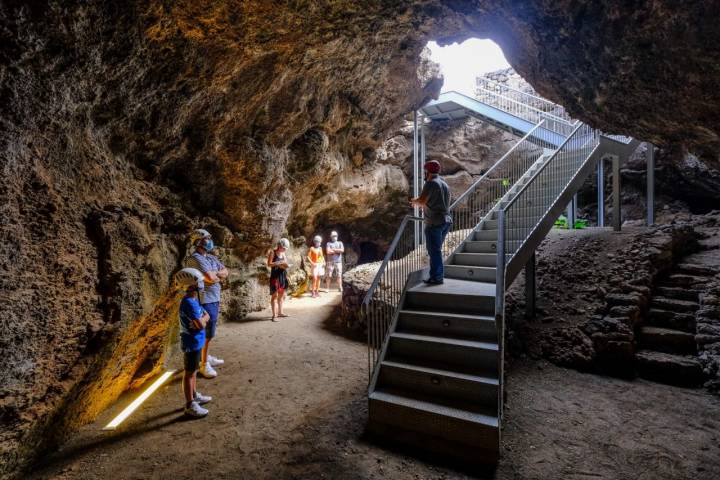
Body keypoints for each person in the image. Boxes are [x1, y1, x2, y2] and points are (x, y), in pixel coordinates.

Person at [186, 229, 229, 379]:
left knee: (210, 332)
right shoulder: (196, 259)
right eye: (207, 238)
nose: (210, 240)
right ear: (199, 241)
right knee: (206, 334)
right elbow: (210, 278)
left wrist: (215, 275)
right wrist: (216, 275)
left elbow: (225, 271)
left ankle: (205, 356)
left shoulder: (210, 257)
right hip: (205, 299)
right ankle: (203, 364)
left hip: (214, 296)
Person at [175, 268, 213, 418]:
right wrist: (204, 319)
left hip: (196, 340)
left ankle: (194, 395)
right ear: (190, 285)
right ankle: (190, 404)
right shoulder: (189, 303)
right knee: (189, 373)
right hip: (191, 342)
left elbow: (205, 316)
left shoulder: (193, 300)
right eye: (199, 282)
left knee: (194, 371)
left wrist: (203, 319)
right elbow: (202, 323)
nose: (202, 284)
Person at [410, 160, 452, 285]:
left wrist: (413, 201)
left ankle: (437, 277)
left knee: (434, 251)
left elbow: (422, 201)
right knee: (436, 250)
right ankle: (437, 275)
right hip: (446, 220)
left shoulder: (430, 183)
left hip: (434, 222)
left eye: (425, 171)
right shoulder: (444, 183)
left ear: (427, 171)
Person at [267, 238, 291, 321]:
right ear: (279, 246)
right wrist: (278, 263)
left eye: (285, 249)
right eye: (283, 248)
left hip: (282, 276)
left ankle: (280, 312)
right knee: (275, 296)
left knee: (281, 296)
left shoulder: (283, 253)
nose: (284, 250)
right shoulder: (272, 252)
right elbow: (269, 264)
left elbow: (286, 263)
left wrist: (285, 265)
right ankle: (274, 315)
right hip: (275, 277)